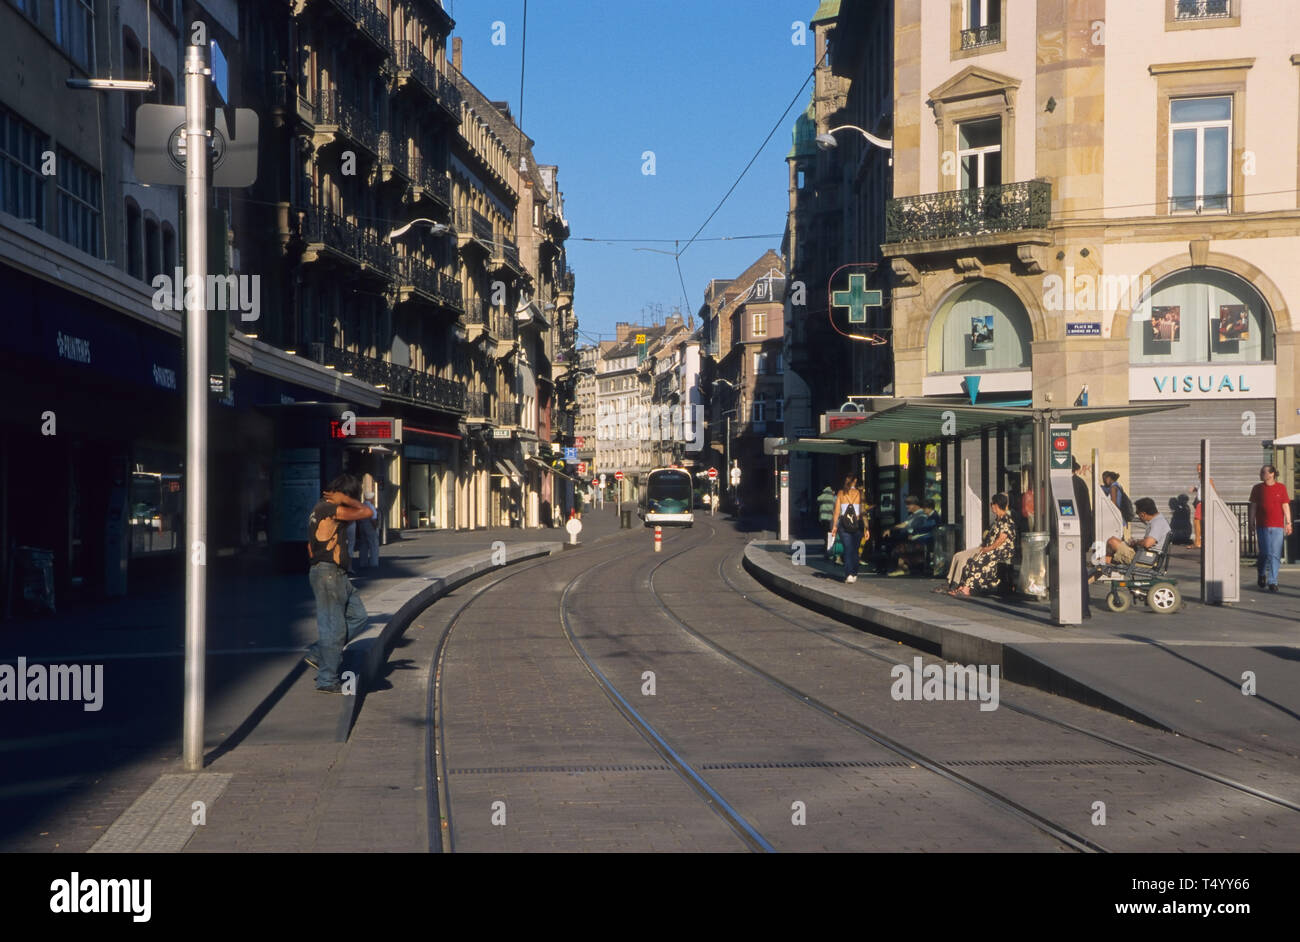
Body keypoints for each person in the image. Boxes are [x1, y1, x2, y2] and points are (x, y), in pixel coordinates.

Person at [304, 474, 374, 693]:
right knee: (333, 629)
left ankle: (318, 652)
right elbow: (367, 512)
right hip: (329, 574)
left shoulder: (320, 509)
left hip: (335, 574)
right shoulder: (329, 509)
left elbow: (310, 546)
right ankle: (327, 679)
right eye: (352, 495)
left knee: (359, 616)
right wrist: (348, 500)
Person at [949, 493, 1016, 597]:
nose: (991, 506)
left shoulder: (1006, 520)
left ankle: (967, 588)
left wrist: (988, 549)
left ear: (996, 505)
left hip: (1001, 550)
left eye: (992, 504)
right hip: (993, 548)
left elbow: (1001, 540)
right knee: (972, 561)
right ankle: (962, 586)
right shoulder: (997, 520)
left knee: (980, 561)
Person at [1248, 464, 1292, 592]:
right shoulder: (1257, 488)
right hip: (1262, 525)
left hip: (1277, 526)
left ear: (1271, 474)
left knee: (1275, 554)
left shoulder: (1281, 488)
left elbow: (1285, 506)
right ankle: (1261, 573)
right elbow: (1253, 506)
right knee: (1265, 552)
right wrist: (1251, 522)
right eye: (1261, 472)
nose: (1261, 475)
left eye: (1264, 472)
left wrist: (1288, 523)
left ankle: (1273, 581)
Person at [1102, 497, 1170, 568]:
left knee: (1112, 541)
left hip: (1146, 560)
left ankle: (1105, 565)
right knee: (1112, 546)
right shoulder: (1159, 520)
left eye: (1137, 513)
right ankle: (1105, 564)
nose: (1138, 516)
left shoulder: (1157, 523)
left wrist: (1136, 542)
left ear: (1143, 514)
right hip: (1146, 557)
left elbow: (1147, 543)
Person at [887, 497, 940, 576]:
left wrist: (915, 536)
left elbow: (927, 531)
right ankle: (903, 567)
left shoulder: (933, 518)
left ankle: (903, 568)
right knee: (901, 547)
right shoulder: (929, 517)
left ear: (929, 508)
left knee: (900, 548)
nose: (923, 510)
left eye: (924, 509)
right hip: (922, 540)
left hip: (926, 541)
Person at [830, 475, 866, 583]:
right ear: (855, 481)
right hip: (858, 524)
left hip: (844, 525)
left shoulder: (841, 493)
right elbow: (863, 511)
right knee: (855, 549)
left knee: (848, 549)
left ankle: (849, 574)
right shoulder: (860, 493)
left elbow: (836, 512)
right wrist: (867, 528)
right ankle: (854, 573)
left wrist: (834, 526)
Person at [1072, 458, 1093, 619]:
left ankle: (1082, 607)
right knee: (1079, 571)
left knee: (1077, 571)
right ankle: (1082, 607)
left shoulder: (1073, 484)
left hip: (1076, 535)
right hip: (1082, 534)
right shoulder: (1080, 483)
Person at [1189, 462, 1218, 549]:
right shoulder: (1201, 480)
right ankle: (1200, 541)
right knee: (1199, 522)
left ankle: (1198, 542)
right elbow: (1199, 488)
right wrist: (1194, 489)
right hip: (1200, 503)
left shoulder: (1208, 479)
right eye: (1197, 469)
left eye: (1200, 469)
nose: (1198, 471)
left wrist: (1214, 502)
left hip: (1203, 503)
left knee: (1197, 521)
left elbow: (1213, 491)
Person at [355, 489, 380, 569]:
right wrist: (375, 527)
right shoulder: (371, 507)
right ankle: (374, 562)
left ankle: (363, 562)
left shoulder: (361, 505)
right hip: (370, 526)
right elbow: (373, 518)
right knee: (373, 544)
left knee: (363, 544)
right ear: (371, 498)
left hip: (362, 525)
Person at [817, 485, 837, 558]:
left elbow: (818, 499)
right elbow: (836, 504)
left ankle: (826, 545)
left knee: (824, 532)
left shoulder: (823, 495)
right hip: (830, 517)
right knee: (829, 533)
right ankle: (828, 546)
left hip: (823, 517)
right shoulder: (832, 497)